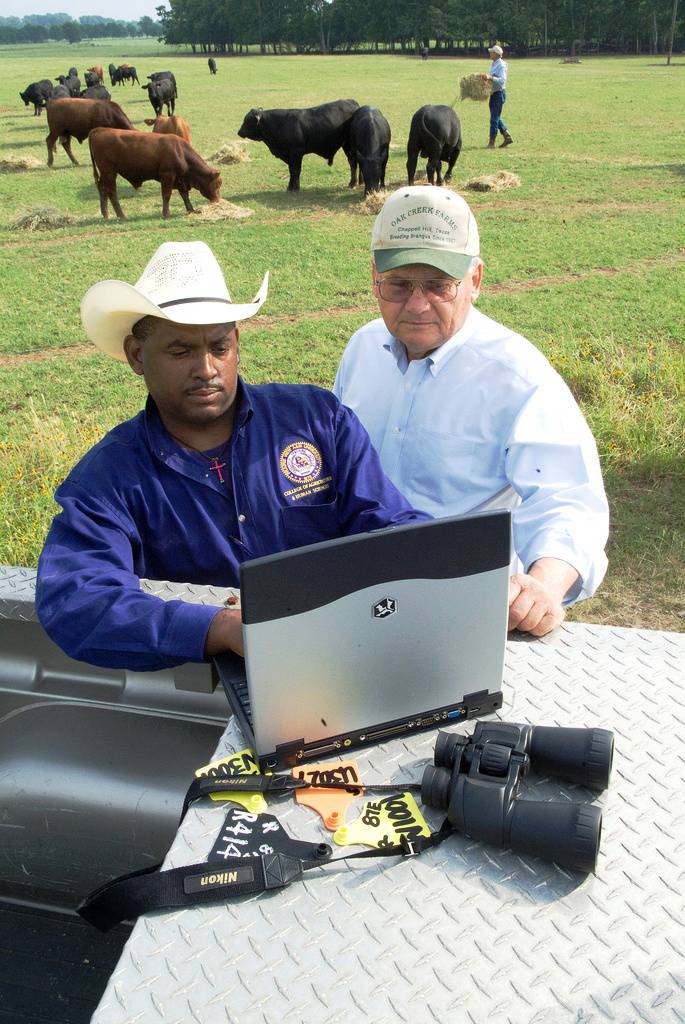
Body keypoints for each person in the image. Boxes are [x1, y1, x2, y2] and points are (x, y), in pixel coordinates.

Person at [36, 241, 428, 672]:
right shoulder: (109, 478)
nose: (206, 368)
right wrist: (217, 628)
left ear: (236, 343)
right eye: (180, 351)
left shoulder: (318, 420)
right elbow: (76, 599)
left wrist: (443, 561)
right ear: (136, 355)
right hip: (203, 684)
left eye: (219, 347)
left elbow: (390, 527)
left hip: (342, 656)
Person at [334, 186, 609, 638]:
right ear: (374, 277)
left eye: (439, 286)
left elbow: (568, 498)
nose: (417, 305)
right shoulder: (362, 350)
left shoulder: (517, 378)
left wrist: (544, 585)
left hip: (462, 610)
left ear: (475, 280)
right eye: (399, 285)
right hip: (359, 599)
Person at [486, 44, 513, 148]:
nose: (490, 53)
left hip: (498, 94)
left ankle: (491, 142)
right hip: (494, 93)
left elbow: (502, 81)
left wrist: (490, 78)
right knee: (495, 117)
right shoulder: (494, 64)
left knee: (494, 119)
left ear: (496, 54)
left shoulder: (501, 65)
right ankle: (507, 136)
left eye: (491, 52)